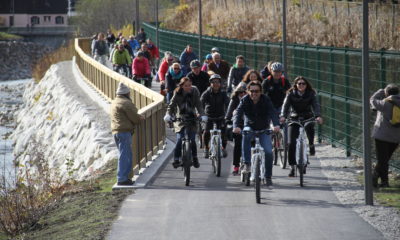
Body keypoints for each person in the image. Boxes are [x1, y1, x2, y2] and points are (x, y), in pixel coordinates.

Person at [233, 81, 280, 186]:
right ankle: (247, 163)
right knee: (246, 134)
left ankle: (268, 176)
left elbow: (272, 112)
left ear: (261, 92)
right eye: (252, 91)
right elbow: (238, 113)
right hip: (250, 126)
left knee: (268, 152)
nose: (254, 93)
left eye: (257, 91)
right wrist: (236, 126)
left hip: (264, 129)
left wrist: (276, 125)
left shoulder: (266, 99)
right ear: (248, 91)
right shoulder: (244, 100)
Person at [280, 76, 323, 177]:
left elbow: (316, 105)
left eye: (303, 83)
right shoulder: (290, 94)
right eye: (299, 83)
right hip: (294, 118)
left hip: (307, 117)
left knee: (310, 132)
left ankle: (311, 145)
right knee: (291, 143)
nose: (301, 85)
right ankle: (292, 166)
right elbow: (285, 106)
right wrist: (283, 116)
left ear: (306, 85)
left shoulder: (311, 94)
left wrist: (318, 116)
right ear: (295, 85)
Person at [164, 77, 206, 168]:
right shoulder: (177, 92)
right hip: (180, 119)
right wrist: (168, 115)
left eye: (190, 85)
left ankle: (195, 158)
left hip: (192, 118)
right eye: (186, 86)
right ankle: (176, 159)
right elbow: (171, 106)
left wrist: (202, 115)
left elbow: (199, 105)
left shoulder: (194, 91)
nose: (188, 87)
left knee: (192, 140)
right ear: (182, 86)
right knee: (179, 139)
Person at [111, 82, 144, 185]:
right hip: (124, 132)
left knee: (123, 154)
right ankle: (122, 178)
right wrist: (140, 118)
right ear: (127, 93)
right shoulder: (126, 103)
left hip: (116, 131)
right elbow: (135, 118)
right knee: (125, 155)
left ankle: (125, 177)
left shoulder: (115, 102)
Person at [370, 84, 400, 188]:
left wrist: (381, 91)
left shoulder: (385, 103)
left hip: (382, 136)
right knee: (385, 159)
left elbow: (373, 100)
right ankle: (384, 181)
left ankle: (374, 177)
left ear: (387, 93)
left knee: (382, 160)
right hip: (396, 137)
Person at [201, 74, 230, 158]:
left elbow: (228, 104)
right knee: (206, 132)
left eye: (217, 82)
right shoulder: (206, 93)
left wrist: (229, 114)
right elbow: (201, 103)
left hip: (221, 116)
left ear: (220, 83)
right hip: (209, 116)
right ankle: (206, 148)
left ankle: (223, 148)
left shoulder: (223, 93)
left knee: (224, 134)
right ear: (210, 83)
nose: (215, 84)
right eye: (213, 82)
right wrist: (200, 113)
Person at [225, 83, 247, 174]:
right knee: (237, 144)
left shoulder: (251, 99)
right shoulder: (234, 99)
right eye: (240, 92)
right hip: (238, 124)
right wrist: (227, 119)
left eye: (244, 92)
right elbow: (230, 111)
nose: (242, 94)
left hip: (249, 124)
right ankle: (236, 165)